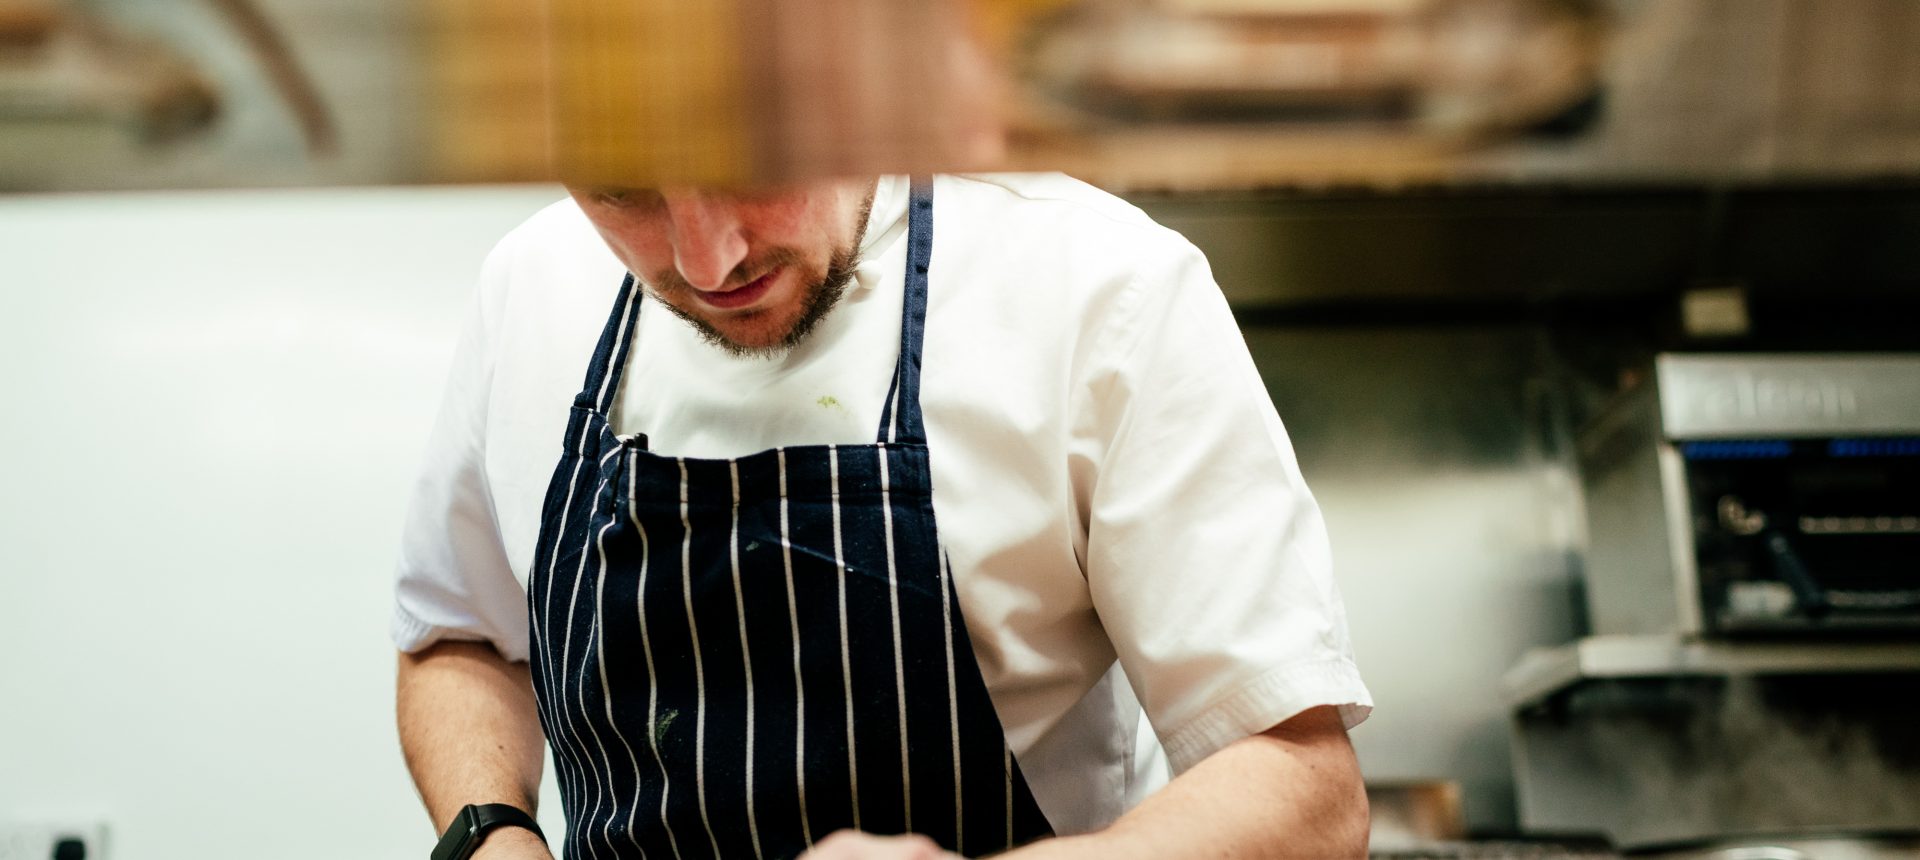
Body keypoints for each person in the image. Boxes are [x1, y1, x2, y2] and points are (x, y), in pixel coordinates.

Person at [393, 173, 1373, 860]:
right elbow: (459, 638)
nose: (707, 256)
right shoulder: (530, 284)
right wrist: (494, 832)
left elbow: (1302, 788)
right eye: (622, 191)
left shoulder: (1095, 286)